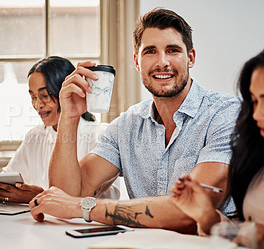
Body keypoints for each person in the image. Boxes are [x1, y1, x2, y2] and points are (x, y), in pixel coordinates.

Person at [29, 8, 240, 233]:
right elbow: (67, 194)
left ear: (190, 58)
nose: (162, 62)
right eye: (150, 51)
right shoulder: (126, 125)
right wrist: (69, 117)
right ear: (137, 61)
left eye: (173, 50)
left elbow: (192, 209)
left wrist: (85, 207)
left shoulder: (225, 114)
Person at [171, 38, 264, 248]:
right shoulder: (260, 158)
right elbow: (247, 231)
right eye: (255, 101)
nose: (258, 114)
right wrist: (207, 217)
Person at [0, 56, 119, 203]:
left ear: (68, 92)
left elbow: (79, 198)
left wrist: (38, 196)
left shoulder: (101, 136)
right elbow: (8, 181)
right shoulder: (34, 136)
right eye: (33, 97)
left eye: (44, 95)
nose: (38, 105)